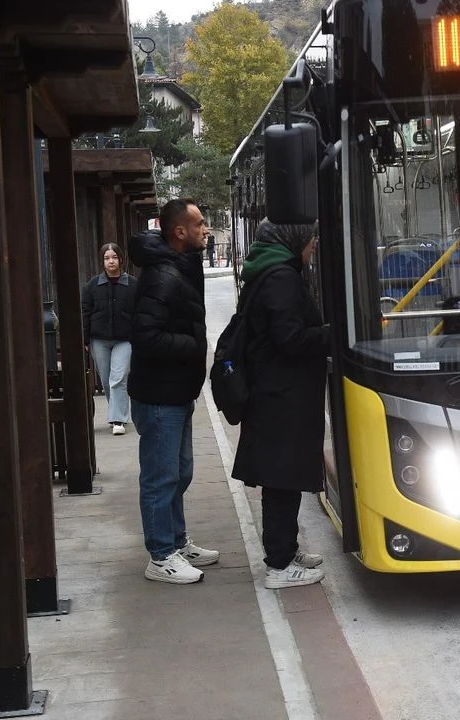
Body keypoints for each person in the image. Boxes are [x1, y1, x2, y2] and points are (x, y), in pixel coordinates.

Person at [231, 220, 330, 590]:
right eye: (310, 237)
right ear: (293, 240)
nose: (315, 244)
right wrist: (330, 335)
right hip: (281, 395)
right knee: (281, 478)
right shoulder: (281, 278)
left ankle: (285, 550)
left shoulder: (266, 271)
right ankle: (279, 564)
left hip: (274, 391)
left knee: (281, 476)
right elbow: (289, 338)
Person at [128, 199, 218, 585]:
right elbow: (146, 336)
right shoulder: (163, 276)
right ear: (179, 232)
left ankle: (176, 541)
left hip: (176, 391)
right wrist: (194, 344)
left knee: (179, 472)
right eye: (199, 224)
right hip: (159, 395)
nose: (205, 230)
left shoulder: (181, 265)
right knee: (161, 476)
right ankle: (161, 555)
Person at [81, 243, 135, 436]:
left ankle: (117, 419)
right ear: (102, 261)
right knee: (106, 379)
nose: (111, 261)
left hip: (125, 339)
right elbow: (85, 313)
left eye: (114, 257)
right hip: (99, 339)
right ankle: (119, 412)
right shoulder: (92, 286)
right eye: (106, 258)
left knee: (118, 377)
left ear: (121, 259)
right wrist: (85, 339)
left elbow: (139, 313)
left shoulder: (132, 285)